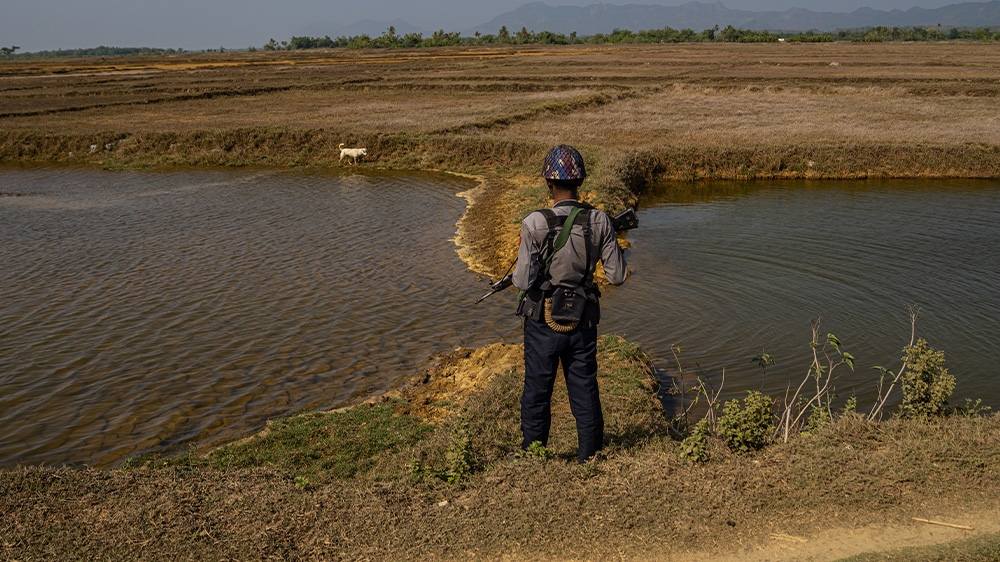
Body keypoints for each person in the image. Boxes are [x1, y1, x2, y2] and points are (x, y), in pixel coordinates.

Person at [511, 145, 629, 463]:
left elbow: (522, 282)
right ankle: (589, 455)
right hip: (583, 319)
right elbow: (617, 276)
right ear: (580, 183)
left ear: (549, 183)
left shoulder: (534, 223)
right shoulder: (601, 221)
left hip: (542, 321)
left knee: (537, 388)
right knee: (584, 387)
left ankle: (533, 455)